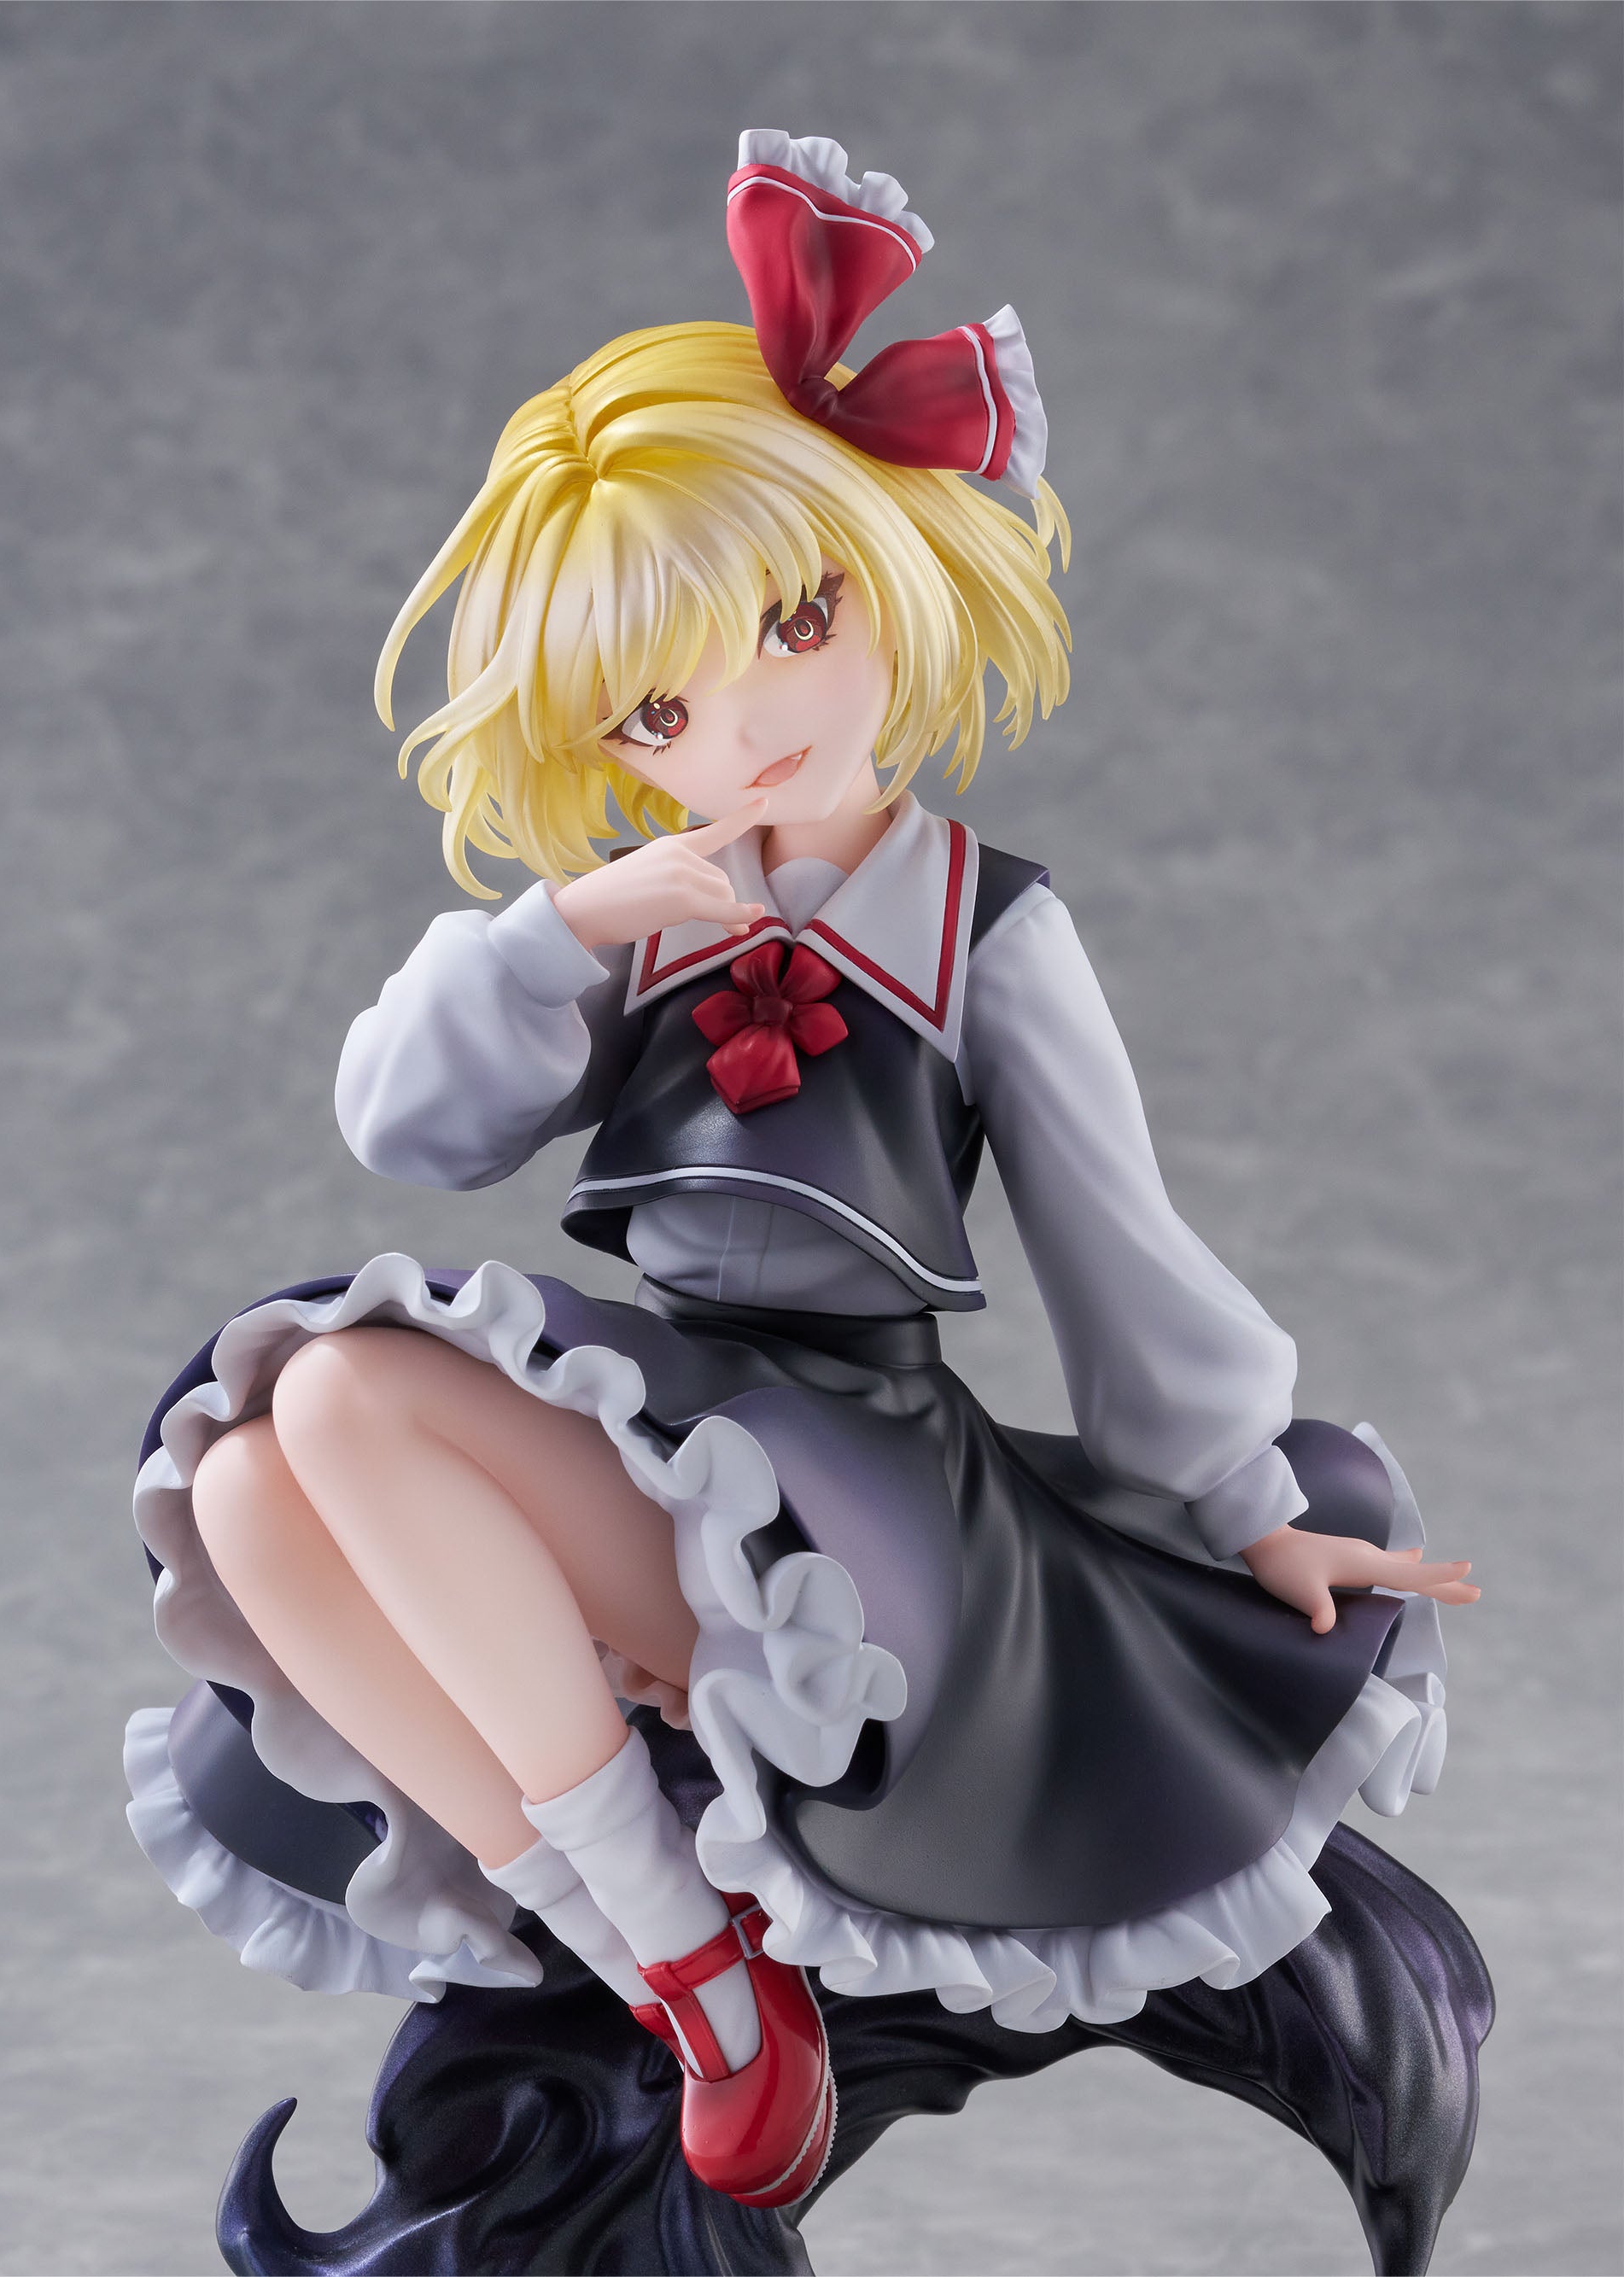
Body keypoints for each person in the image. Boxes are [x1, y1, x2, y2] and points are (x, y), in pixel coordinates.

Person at [126, 131, 1477, 2213]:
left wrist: (1242, 1501)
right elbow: (406, 1122)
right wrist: (558, 932)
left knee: (343, 1392)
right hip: (672, 1408)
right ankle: (661, 1953)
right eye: (659, 704)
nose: (742, 722)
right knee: (243, 1467)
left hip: (867, 1492)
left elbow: (1114, 1242)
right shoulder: (650, 910)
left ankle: (695, 1953)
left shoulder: (983, 926)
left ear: (883, 561)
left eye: (791, 618)